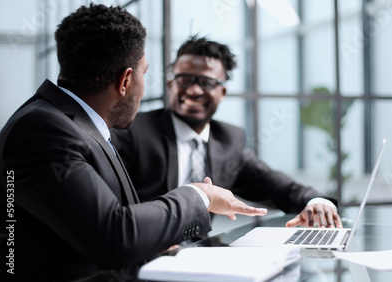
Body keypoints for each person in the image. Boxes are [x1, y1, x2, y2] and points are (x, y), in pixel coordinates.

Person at [0, 5, 266, 281]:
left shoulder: (79, 125)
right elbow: (113, 236)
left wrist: (152, 245)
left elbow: (88, 228)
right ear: (126, 80)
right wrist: (200, 196)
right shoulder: (43, 129)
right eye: (144, 73)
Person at [112, 35, 343, 229]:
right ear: (171, 84)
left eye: (207, 82)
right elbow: (112, 213)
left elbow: (278, 187)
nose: (193, 90)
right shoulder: (132, 131)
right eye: (184, 79)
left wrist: (317, 202)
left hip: (201, 257)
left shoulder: (228, 141)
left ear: (222, 92)